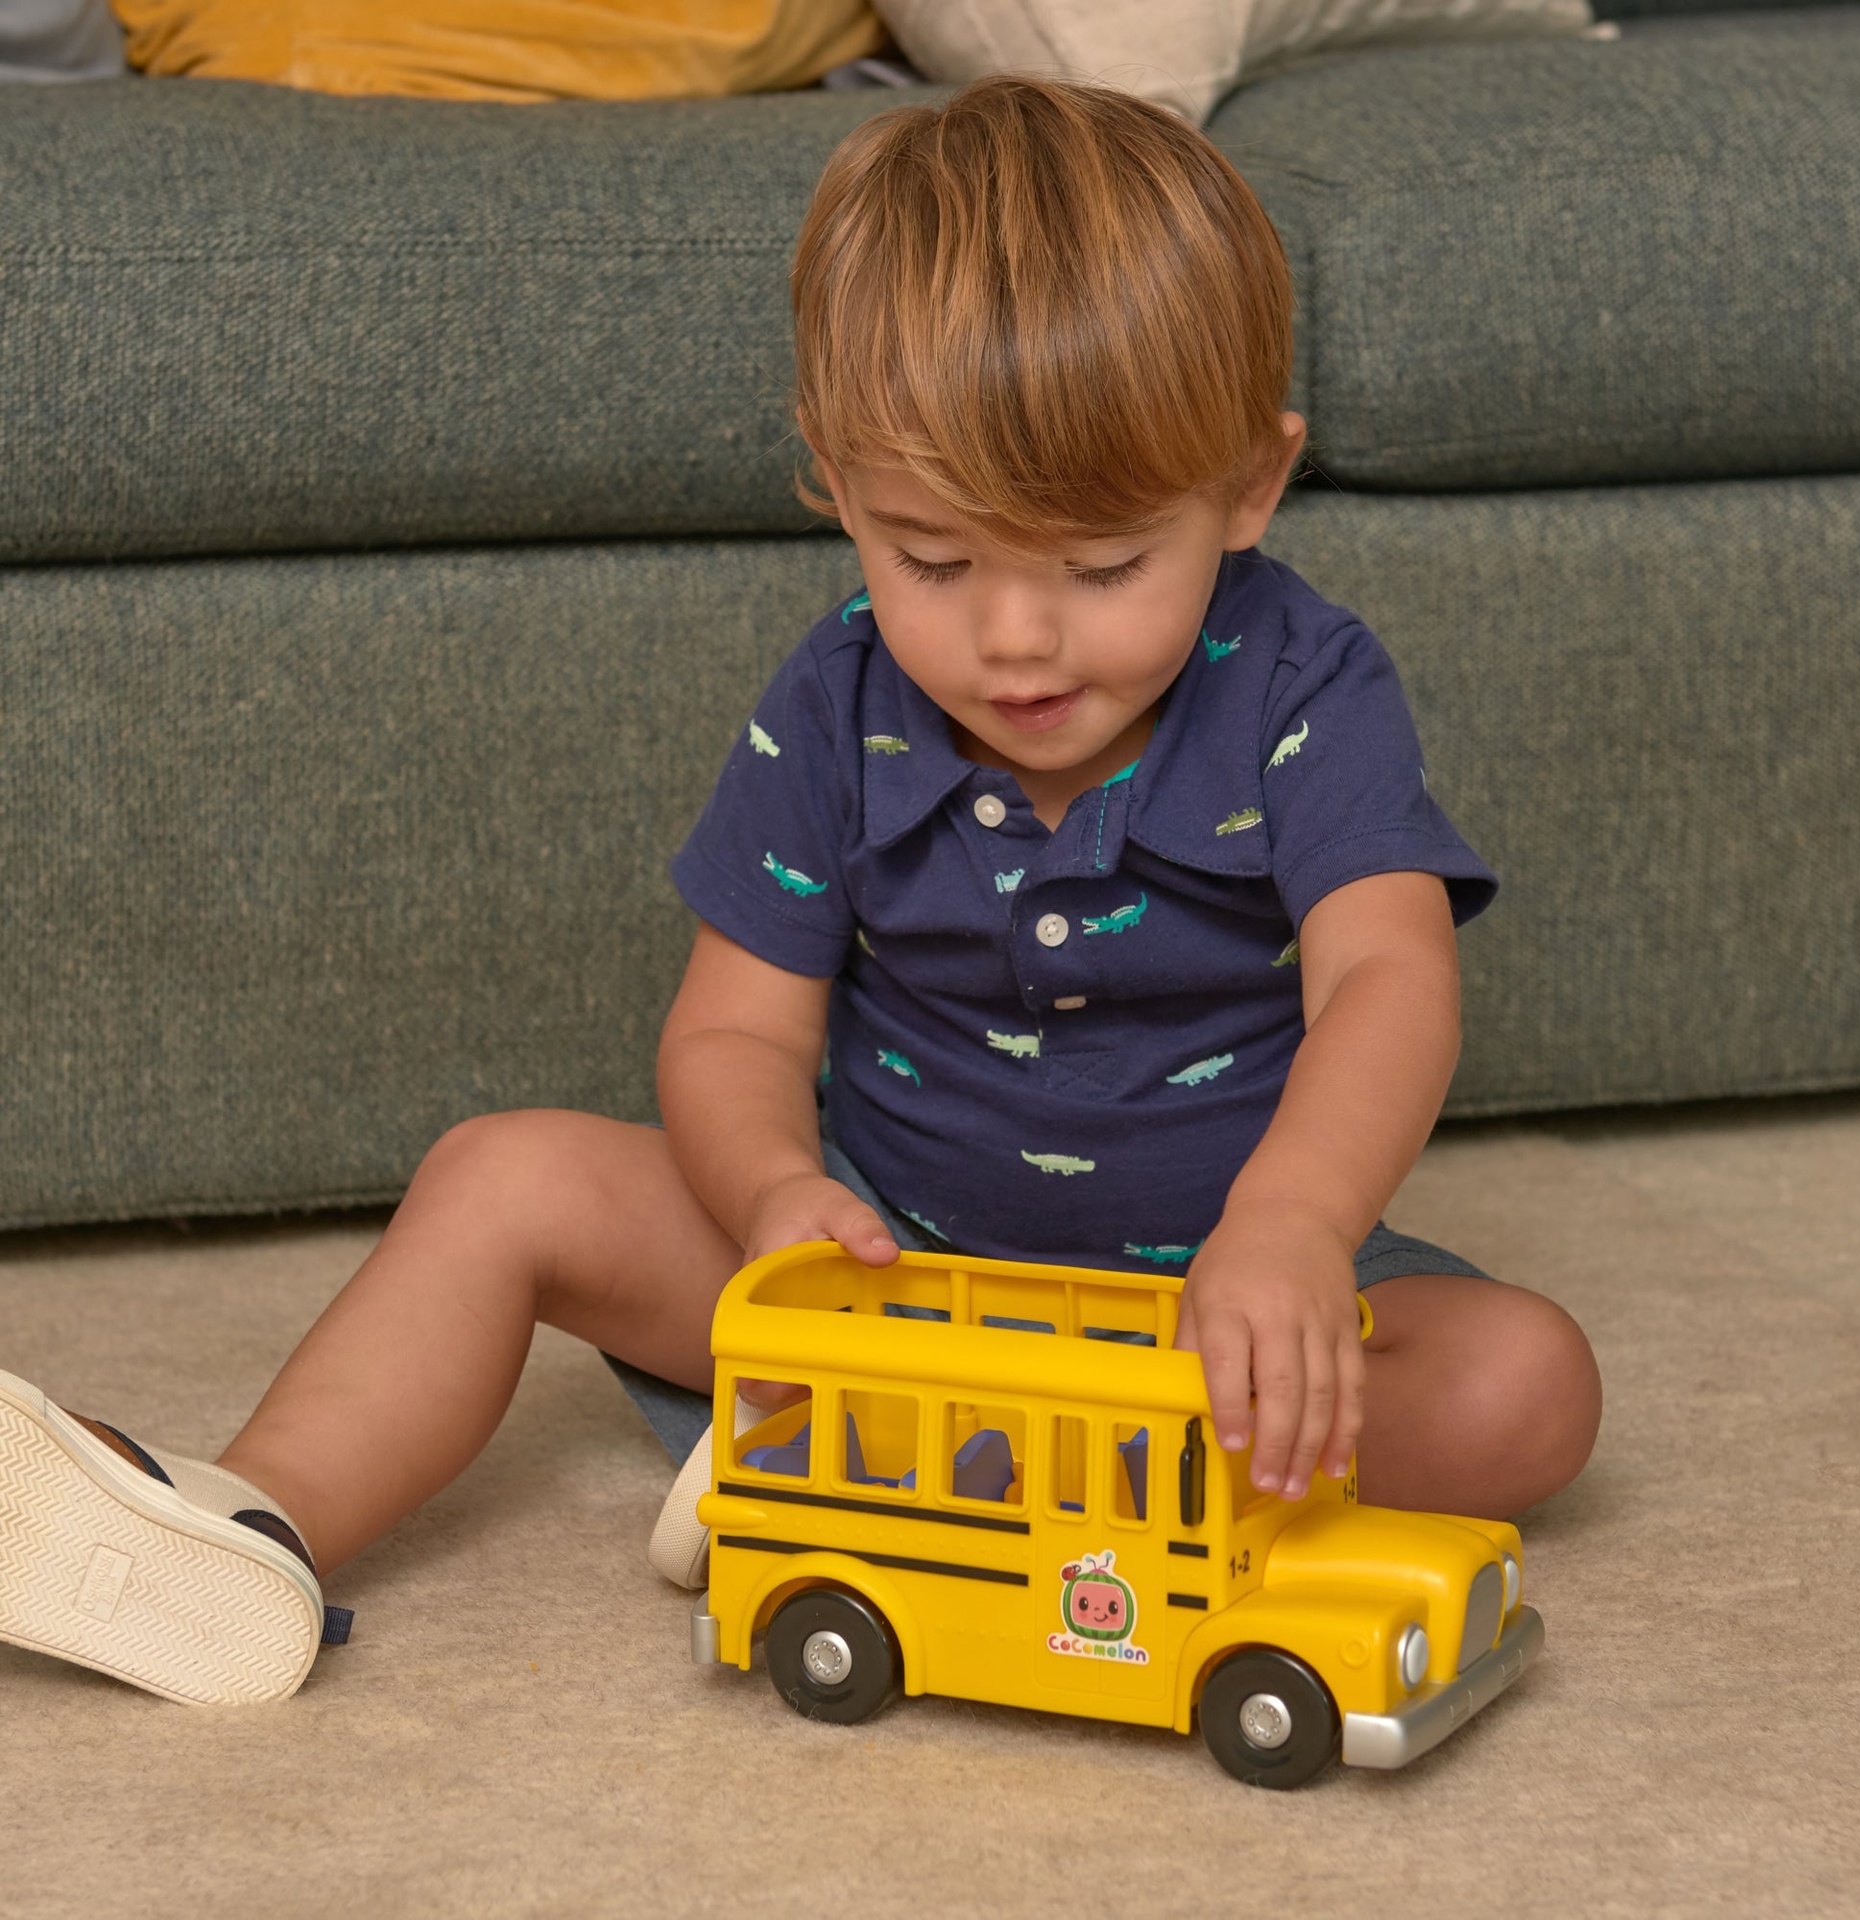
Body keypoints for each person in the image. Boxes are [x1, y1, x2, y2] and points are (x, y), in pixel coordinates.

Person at [0, 76, 1600, 1707]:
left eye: (1104, 565)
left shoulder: (1306, 684)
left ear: (1251, 488)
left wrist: (1293, 1228)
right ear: (834, 482)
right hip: (881, 1281)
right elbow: (733, 1038)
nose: (1016, 641)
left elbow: (1387, 976)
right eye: (935, 561)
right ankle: (255, 1526)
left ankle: (918, 1479)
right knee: (502, 1176)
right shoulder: (834, 706)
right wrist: (775, 1198)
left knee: (1524, 1384)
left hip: (1209, 1319)